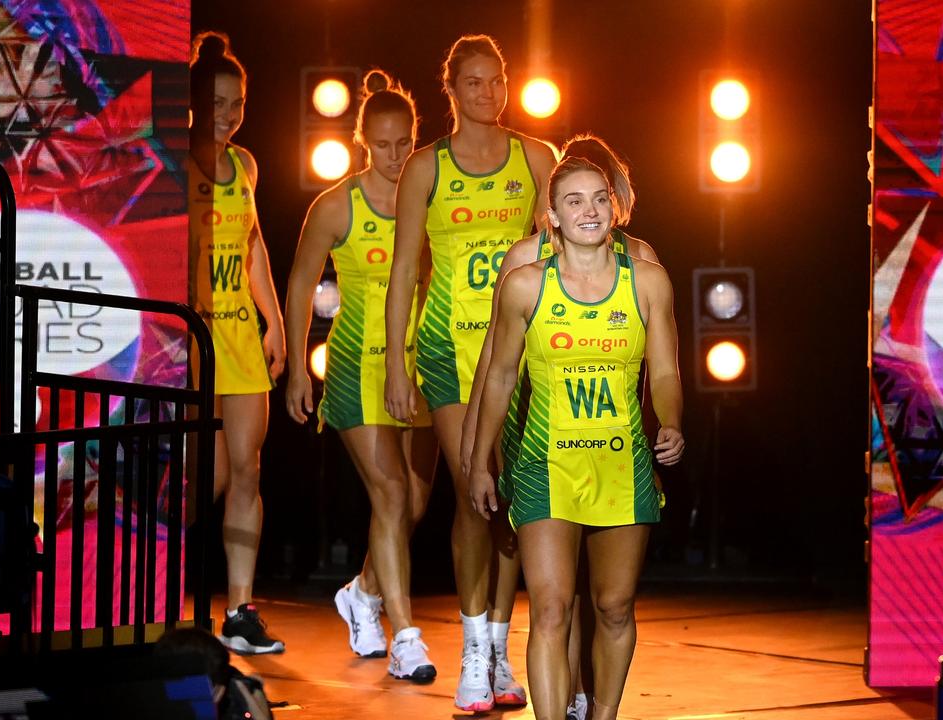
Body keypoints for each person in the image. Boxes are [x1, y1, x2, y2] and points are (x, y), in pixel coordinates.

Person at [468, 157, 685, 720]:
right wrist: (479, 461)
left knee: (613, 606)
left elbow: (664, 373)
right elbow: (499, 376)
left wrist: (672, 422)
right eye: (573, 201)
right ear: (553, 217)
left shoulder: (649, 280)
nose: (588, 210)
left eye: (598, 199)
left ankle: (604, 713)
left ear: (613, 207)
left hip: (623, 462)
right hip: (546, 462)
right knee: (551, 609)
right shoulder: (524, 286)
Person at [384, 33, 557, 712]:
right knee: (471, 489)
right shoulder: (427, 167)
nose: (490, 93)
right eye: (475, 83)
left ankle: (502, 648)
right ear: (450, 90)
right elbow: (403, 269)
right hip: (447, 351)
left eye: (498, 80)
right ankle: (471, 648)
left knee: (512, 497)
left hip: (518, 353)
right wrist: (398, 364)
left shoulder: (535, 157)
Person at [284, 69, 439, 682]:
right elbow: (301, 283)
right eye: (383, 144)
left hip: (421, 363)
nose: (396, 156)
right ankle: (405, 636)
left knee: (415, 503)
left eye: (405, 143)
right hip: (355, 365)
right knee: (391, 494)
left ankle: (362, 592)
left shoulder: (431, 196)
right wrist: (298, 366)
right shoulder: (336, 205)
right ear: (362, 141)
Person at [187, 31, 286, 655]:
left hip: (240, 334)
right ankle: (158, 594)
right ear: (195, 99)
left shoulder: (246, 165)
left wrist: (273, 318)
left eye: (238, 102)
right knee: (202, 480)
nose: (229, 114)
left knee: (248, 469)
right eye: (218, 102)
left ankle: (240, 611)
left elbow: (253, 245)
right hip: (188, 338)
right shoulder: (172, 157)